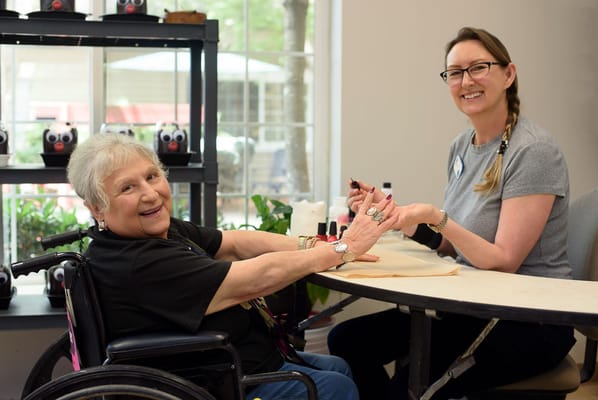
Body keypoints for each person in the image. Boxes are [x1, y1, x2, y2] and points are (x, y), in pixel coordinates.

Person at [327, 27, 576, 400]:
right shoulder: (462, 147)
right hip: (473, 305)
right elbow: (451, 246)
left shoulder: (533, 151)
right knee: (347, 339)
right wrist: (403, 218)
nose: (466, 81)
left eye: (478, 67)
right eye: (455, 73)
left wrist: (433, 214)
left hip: (526, 318)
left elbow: (504, 261)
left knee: (410, 385)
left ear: (508, 74)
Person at [66, 132, 398, 400]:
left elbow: (235, 241)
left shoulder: (155, 232)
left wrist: (317, 245)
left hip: (236, 361)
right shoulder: (138, 262)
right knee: (335, 387)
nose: (150, 194)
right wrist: (342, 249)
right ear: (97, 208)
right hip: (214, 381)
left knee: (338, 367)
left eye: (152, 176)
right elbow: (254, 277)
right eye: (128, 187)